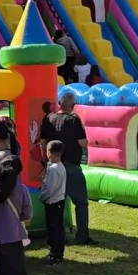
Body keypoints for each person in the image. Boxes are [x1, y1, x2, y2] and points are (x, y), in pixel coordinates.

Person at [40, 92, 92, 245]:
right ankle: (82, 235)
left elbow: (43, 142)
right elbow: (83, 143)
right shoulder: (74, 120)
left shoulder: (49, 118)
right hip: (71, 166)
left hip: (53, 165)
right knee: (81, 203)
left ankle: (57, 236)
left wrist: (45, 161)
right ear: (73, 106)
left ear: (59, 104)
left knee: (55, 204)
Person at [40, 140, 68, 265]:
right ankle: (57, 253)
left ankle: (55, 254)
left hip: (52, 202)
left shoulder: (53, 169)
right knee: (57, 228)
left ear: (49, 153)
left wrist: (42, 197)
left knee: (53, 229)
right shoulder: (60, 167)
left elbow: (49, 189)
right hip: (59, 201)